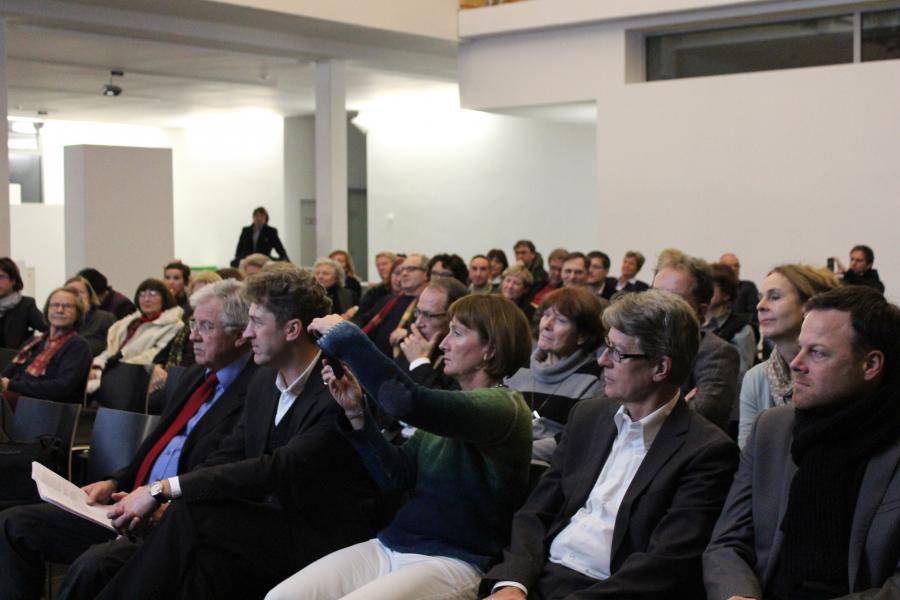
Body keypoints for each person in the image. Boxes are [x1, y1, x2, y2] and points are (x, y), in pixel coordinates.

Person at [93, 267, 380, 600]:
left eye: (256, 322)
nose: (247, 333)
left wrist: (163, 490)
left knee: (192, 515)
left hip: (322, 535)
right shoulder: (264, 381)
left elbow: (277, 468)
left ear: (291, 329)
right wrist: (162, 498)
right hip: (269, 524)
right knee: (205, 563)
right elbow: (229, 454)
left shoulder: (337, 388)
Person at [0, 279, 257, 600]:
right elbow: (153, 447)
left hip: (171, 520)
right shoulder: (196, 377)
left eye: (205, 326)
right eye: (193, 324)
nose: (193, 336)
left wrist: (160, 502)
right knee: (12, 524)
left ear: (240, 334)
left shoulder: (255, 391)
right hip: (128, 502)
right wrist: (113, 481)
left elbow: (221, 473)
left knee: (93, 566)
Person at [265, 293, 533, 600]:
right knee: (280, 597)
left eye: (457, 333)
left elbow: (406, 401)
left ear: (491, 348)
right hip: (395, 543)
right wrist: (357, 413)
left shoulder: (505, 408)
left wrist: (345, 334)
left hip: (456, 559)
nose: (443, 344)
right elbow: (395, 474)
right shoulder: (458, 406)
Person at [482, 290, 739, 600]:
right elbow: (536, 511)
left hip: (610, 589)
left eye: (617, 353)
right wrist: (513, 583)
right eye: (606, 347)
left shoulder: (707, 451)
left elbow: (666, 565)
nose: (601, 360)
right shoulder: (588, 416)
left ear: (661, 368)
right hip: (540, 578)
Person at [704, 286, 900, 600]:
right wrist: (738, 595)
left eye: (817, 353)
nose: (796, 363)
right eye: (799, 348)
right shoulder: (773, 429)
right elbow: (727, 543)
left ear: (870, 365)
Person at [737, 264, 841, 447]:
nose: (760, 306)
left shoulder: (836, 372)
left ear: (809, 306)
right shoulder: (756, 378)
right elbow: (748, 455)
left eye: (774, 297)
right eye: (760, 298)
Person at [506, 286, 604, 462]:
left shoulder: (596, 378)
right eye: (546, 315)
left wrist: (511, 453)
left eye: (560, 320)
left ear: (582, 336)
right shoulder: (519, 367)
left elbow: (575, 441)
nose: (546, 325)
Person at [652, 252, 741, 432]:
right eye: (654, 296)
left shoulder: (717, 353)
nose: (657, 306)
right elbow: (605, 405)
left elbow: (700, 418)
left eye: (672, 299)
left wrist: (642, 410)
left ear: (701, 310)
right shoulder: (633, 344)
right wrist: (675, 407)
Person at [86, 279, 183, 395]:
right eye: (142, 295)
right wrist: (97, 365)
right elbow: (112, 350)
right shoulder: (130, 322)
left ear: (164, 298)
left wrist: (109, 371)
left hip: (135, 377)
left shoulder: (174, 325)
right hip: (109, 372)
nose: (146, 299)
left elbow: (153, 355)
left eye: (152, 294)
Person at [1, 286, 92, 406]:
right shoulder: (34, 342)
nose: (59, 310)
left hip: (49, 409)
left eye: (67, 306)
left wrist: (11, 385)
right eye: (54, 305)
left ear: (78, 313)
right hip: (17, 401)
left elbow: (61, 388)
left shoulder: (78, 346)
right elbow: (7, 373)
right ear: (47, 310)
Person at [395, 277, 469, 392]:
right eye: (418, 312)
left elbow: (441, 401)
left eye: (428, 315)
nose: (418, 322)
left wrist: (419, 362)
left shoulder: (464, 357)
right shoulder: (417, 340)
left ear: (453, 318)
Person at [358, 254, 429, 357]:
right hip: (374, 356)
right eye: (402, 270)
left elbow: (433, 333)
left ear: (426, 274)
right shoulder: (389, 300)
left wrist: (408, 333)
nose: (404, 273)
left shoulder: (428, 304)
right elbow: (364, 320)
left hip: (402, 361)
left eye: (411, 269)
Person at [704, 264, 757, 382]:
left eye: (711, 287)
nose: (704, 291)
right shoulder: (695, 323)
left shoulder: (742, 329)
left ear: (726, 294)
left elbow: (741, 375)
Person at [0, 257, 46, 349]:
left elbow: (49, 328)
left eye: (1, 277)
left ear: (13, 280)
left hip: (14, 356)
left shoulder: (26, 305)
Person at [65, 275, 116, 357]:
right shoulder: (59, 321)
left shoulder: (105, 318)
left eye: (80, 292)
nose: (76, 296)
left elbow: (115, 348)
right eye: (71, 292)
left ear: (89, 295)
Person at [719, 253, 759, 322]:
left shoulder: (748, 287)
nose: (733, 269)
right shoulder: (715, 291)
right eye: (729, 266)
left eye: (736, 266)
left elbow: (754, 315)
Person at [357, 251, 396, 318]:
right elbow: (360, 315)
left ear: (395, 265)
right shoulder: (373, 292)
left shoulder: (403, 290)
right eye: (378, 265)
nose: (381, 268)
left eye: (384, 264)